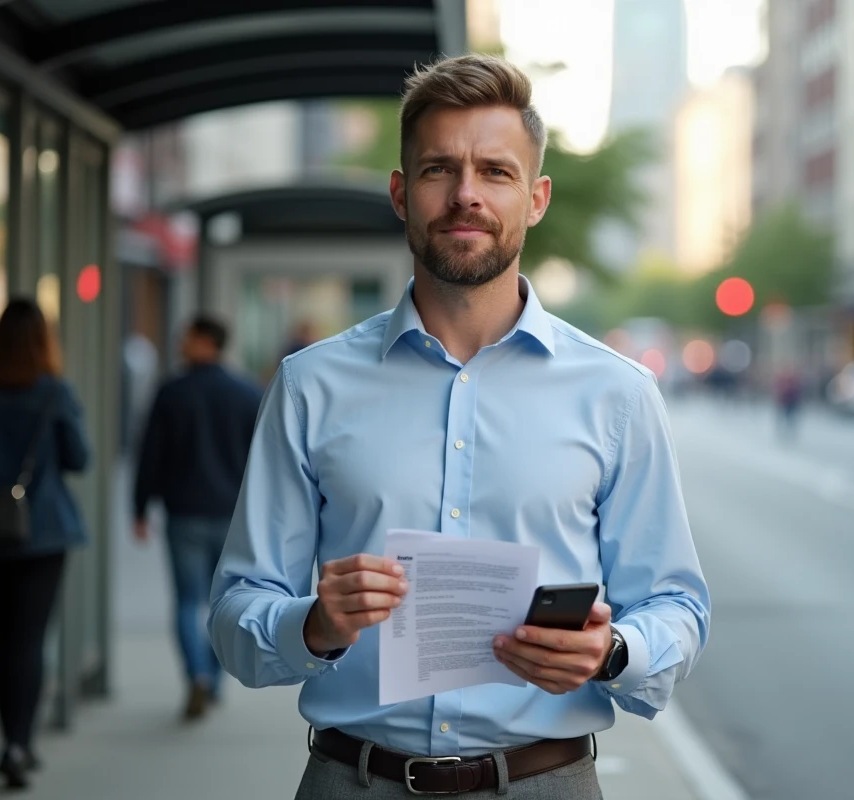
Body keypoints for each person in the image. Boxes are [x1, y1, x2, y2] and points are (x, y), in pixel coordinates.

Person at [209, 54, 710, 800]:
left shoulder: (619, 394)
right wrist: (314, 624)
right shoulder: (311, 385)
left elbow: (677, 605)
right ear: (401, 194)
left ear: (536, 198)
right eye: (440, 170)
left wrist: (612, 652)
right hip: (354, 781)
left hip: (548, 781)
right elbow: (234, 617)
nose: (466, 195)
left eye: (496, 172)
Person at [0, 299, 91, 790]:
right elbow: (79, 459)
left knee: (0, 634)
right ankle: (20, 741)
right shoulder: (53, 392)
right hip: (44, 533)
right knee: (30, 638)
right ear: (42, 339)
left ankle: (9, 737)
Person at [134, 315, 264, 721]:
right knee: (223, 600)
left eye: (185, 338)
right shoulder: (245, 393)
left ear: (205, 341)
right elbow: (263, 461)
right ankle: (214, 677)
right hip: (232, 514)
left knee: (187, 601)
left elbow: (149, 455)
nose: (179, 343)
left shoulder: (171, 393)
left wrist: (138, 507)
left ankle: (198, 677)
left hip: (184, 512)